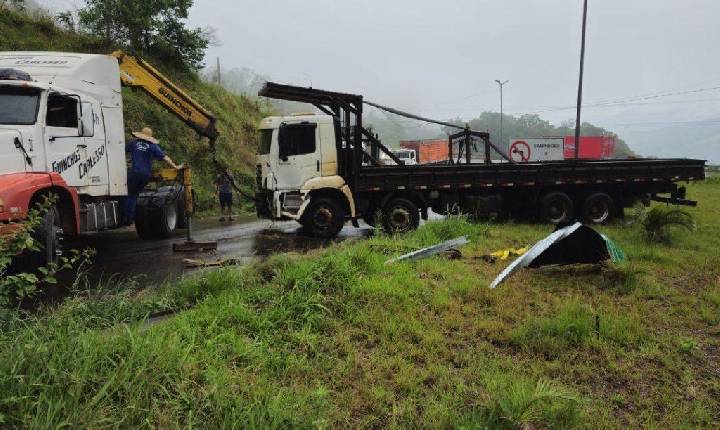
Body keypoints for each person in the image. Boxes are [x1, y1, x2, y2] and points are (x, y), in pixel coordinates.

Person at [121, 127, 182, 225]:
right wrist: (176, 166)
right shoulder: (153, 146)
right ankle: (129, 218)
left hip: (135, 173)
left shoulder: (134, 143)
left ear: (141, 134)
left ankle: (124, 218)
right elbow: (165, 158)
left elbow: (120, 151)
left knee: (128, 194)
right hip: (145, 175)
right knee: (135, 195)